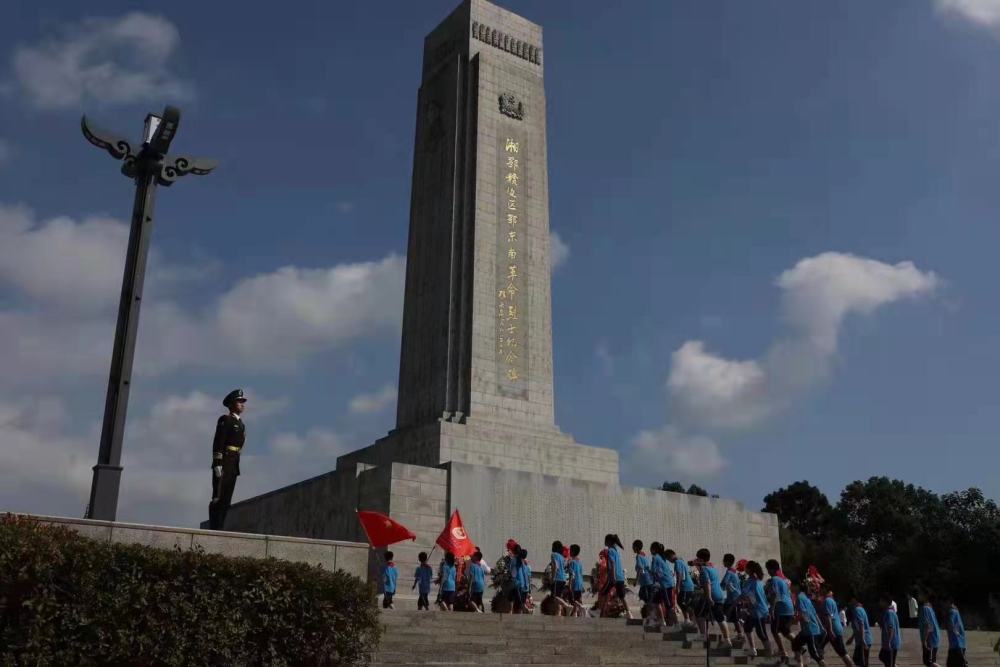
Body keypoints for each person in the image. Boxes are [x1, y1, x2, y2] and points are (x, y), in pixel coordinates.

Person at [208, 388, 247, 530]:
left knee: (226, 500)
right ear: (231, 404)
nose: (242, 404)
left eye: (243, 401)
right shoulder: (226, 420)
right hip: (224, 462)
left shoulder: (241, 424)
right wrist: (217, 463)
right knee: (218, 497)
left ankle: (220, 528)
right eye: (239, 401)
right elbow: (218, 441)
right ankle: (214, 528)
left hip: (234, 464)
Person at [696, 548, 732, 648]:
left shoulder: (704, 570)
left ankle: (703, 635)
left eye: (698, 558)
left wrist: (709, 597)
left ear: (701, 559)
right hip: (720, 595)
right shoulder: (713, 568)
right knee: (720, 618)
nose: (697, 560)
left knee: (698, 613)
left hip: (712, 595)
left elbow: (707, 583)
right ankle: (727, 639)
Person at [766, 559, 796, 663]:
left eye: (768, 569)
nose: (768, 572)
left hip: (781, 609)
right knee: (785, 631)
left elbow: (775, 595)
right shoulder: (782, 580)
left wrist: (772, 609)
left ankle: (783, 651)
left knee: (775, 630)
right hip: (789, 608)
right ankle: (798, 645)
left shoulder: (774, 579)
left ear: (772, 569)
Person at [791, 581, 826, 666]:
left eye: (793, 585)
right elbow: (814, 613)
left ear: (797, 587)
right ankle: (800, 664)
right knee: (795, 644)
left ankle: (822, 664)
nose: (791, 587)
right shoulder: (806, 598)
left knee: (815, 654)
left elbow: (803, 613)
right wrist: (821, 626)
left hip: (811, 630)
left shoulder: (800, 597)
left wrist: (795, 621)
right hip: (807, 630)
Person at [741, 561, 771, 659]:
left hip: (758, 611)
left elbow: (749, 596)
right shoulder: (758, 581)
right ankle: (753, 650)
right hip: (759, 610)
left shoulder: (751, 582)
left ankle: (769, 655)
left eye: (746, 568)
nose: (745, 569)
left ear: (749, 570)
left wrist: (745, 604)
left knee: (761, 634)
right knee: (747, 628)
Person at [601, 534, 633, 619]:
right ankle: (629, 613)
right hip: (620, 577)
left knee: (603, 593)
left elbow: (613, 563)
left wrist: (613, 576)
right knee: (622, 596)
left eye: (605, 540)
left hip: (612, 577)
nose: (604, 542)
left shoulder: (610, 550)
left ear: (609, 541)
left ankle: (602, 613)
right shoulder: (617, 550)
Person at [820, 587, 852, 667]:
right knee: (819, 647)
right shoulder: (832, 601)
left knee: (842, 652)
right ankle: (821, 662)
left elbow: (828, 616)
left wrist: (830, 630)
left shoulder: (827, 601)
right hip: (833, 629)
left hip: (833, 630)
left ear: (825, 591)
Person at [721, 554, 745, 644]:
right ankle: (739, 633)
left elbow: (724, 583)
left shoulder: (730, 572)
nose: (723, 562)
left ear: (727, 561)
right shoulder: (733, 571)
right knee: (732, 617)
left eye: (724, 560)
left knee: (734, 618)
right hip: (732, 598)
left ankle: (740, 634)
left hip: (734, 599)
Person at [846, 595, 873, 667]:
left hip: (863, 640)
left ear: (854, 600)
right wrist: (852, 638)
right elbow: (858, 627)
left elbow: (861, 625)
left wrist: (863, 640)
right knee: (861, 661)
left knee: (860, 661)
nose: (849, 604)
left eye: (850, 601)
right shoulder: (860, 609)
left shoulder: (857, 610)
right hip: (864, 639)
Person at [670, 550, 695, 624]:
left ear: (671, 556)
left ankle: (691, 618)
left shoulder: (677, 562)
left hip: (685, 586)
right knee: (682, 602)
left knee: (683, 602)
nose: (669, 561)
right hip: (688, 585)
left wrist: (678, 587)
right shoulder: (681, 561)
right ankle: (688, 619)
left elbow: (679, 574)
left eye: (669, 559)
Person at [918, 592, 941, 667]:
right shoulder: (930, 607)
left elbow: (928, 626)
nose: (919, 595)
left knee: (929, 662)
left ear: (925, 597)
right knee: (929, 662)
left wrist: (924, 640)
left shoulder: (925, 608)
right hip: (933, 638)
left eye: (920, 594)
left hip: (930, 640)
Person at [942, 596, 966, 667]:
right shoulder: (956, 611)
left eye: (944, 602)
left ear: (949, 602)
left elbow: (950, 624)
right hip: (959, 644)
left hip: (956, 645)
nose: (943, 605)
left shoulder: (951, 612)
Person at [879, 593, 901, 667]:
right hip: (888, 643)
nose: (880, 603)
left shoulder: (889, 613)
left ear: (885, 602)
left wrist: (889, 641)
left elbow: (891, 628)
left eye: (881, 601)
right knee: (883, 657)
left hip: (891, 643)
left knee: (888, 663)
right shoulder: (888, 611)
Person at [550, 540, 572, 614]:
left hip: (557, 578)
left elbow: (555, 567)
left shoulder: (553, 555)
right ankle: (558, 614)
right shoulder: (562, 557)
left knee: (555, 596)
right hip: (563, 579)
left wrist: (552, 578)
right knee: (558, 598)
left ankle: (567, 606)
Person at [633, 540, 654, 613]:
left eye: (633, 547)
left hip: (645, 581)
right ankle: (650, 612)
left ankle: (649, 613)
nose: (632, 548)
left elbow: (640, 569)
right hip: (649, 580)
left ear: (636, 547)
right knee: (647, 597)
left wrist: (636, 581)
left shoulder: (638, 556)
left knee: (644, 596)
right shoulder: (644, 555)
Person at [568, 544, 586, 617]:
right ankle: (581, 613)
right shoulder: (579, 563)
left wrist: (569, 584)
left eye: (570, 550)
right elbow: (581, 574)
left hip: (574, 584)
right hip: (580, 583)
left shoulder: (572, 562)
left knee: (574, 601)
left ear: (572, 552)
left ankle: (575, 615)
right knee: (579, 599)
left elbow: (571, 574)